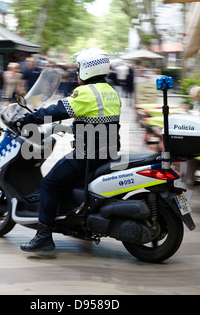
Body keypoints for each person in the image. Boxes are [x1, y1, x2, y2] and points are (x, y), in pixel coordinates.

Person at [15, 48, 122, 252]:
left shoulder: (86, 92)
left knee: (49, 184)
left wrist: (29, 118)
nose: (76, 73)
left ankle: (43, 235)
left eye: (78, 68)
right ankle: (79, 225)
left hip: (86, 155)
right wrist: (72, 127)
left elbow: (58, 110)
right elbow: (100, 120)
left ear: (88, 70)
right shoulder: (110, 92)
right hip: (108, 152)